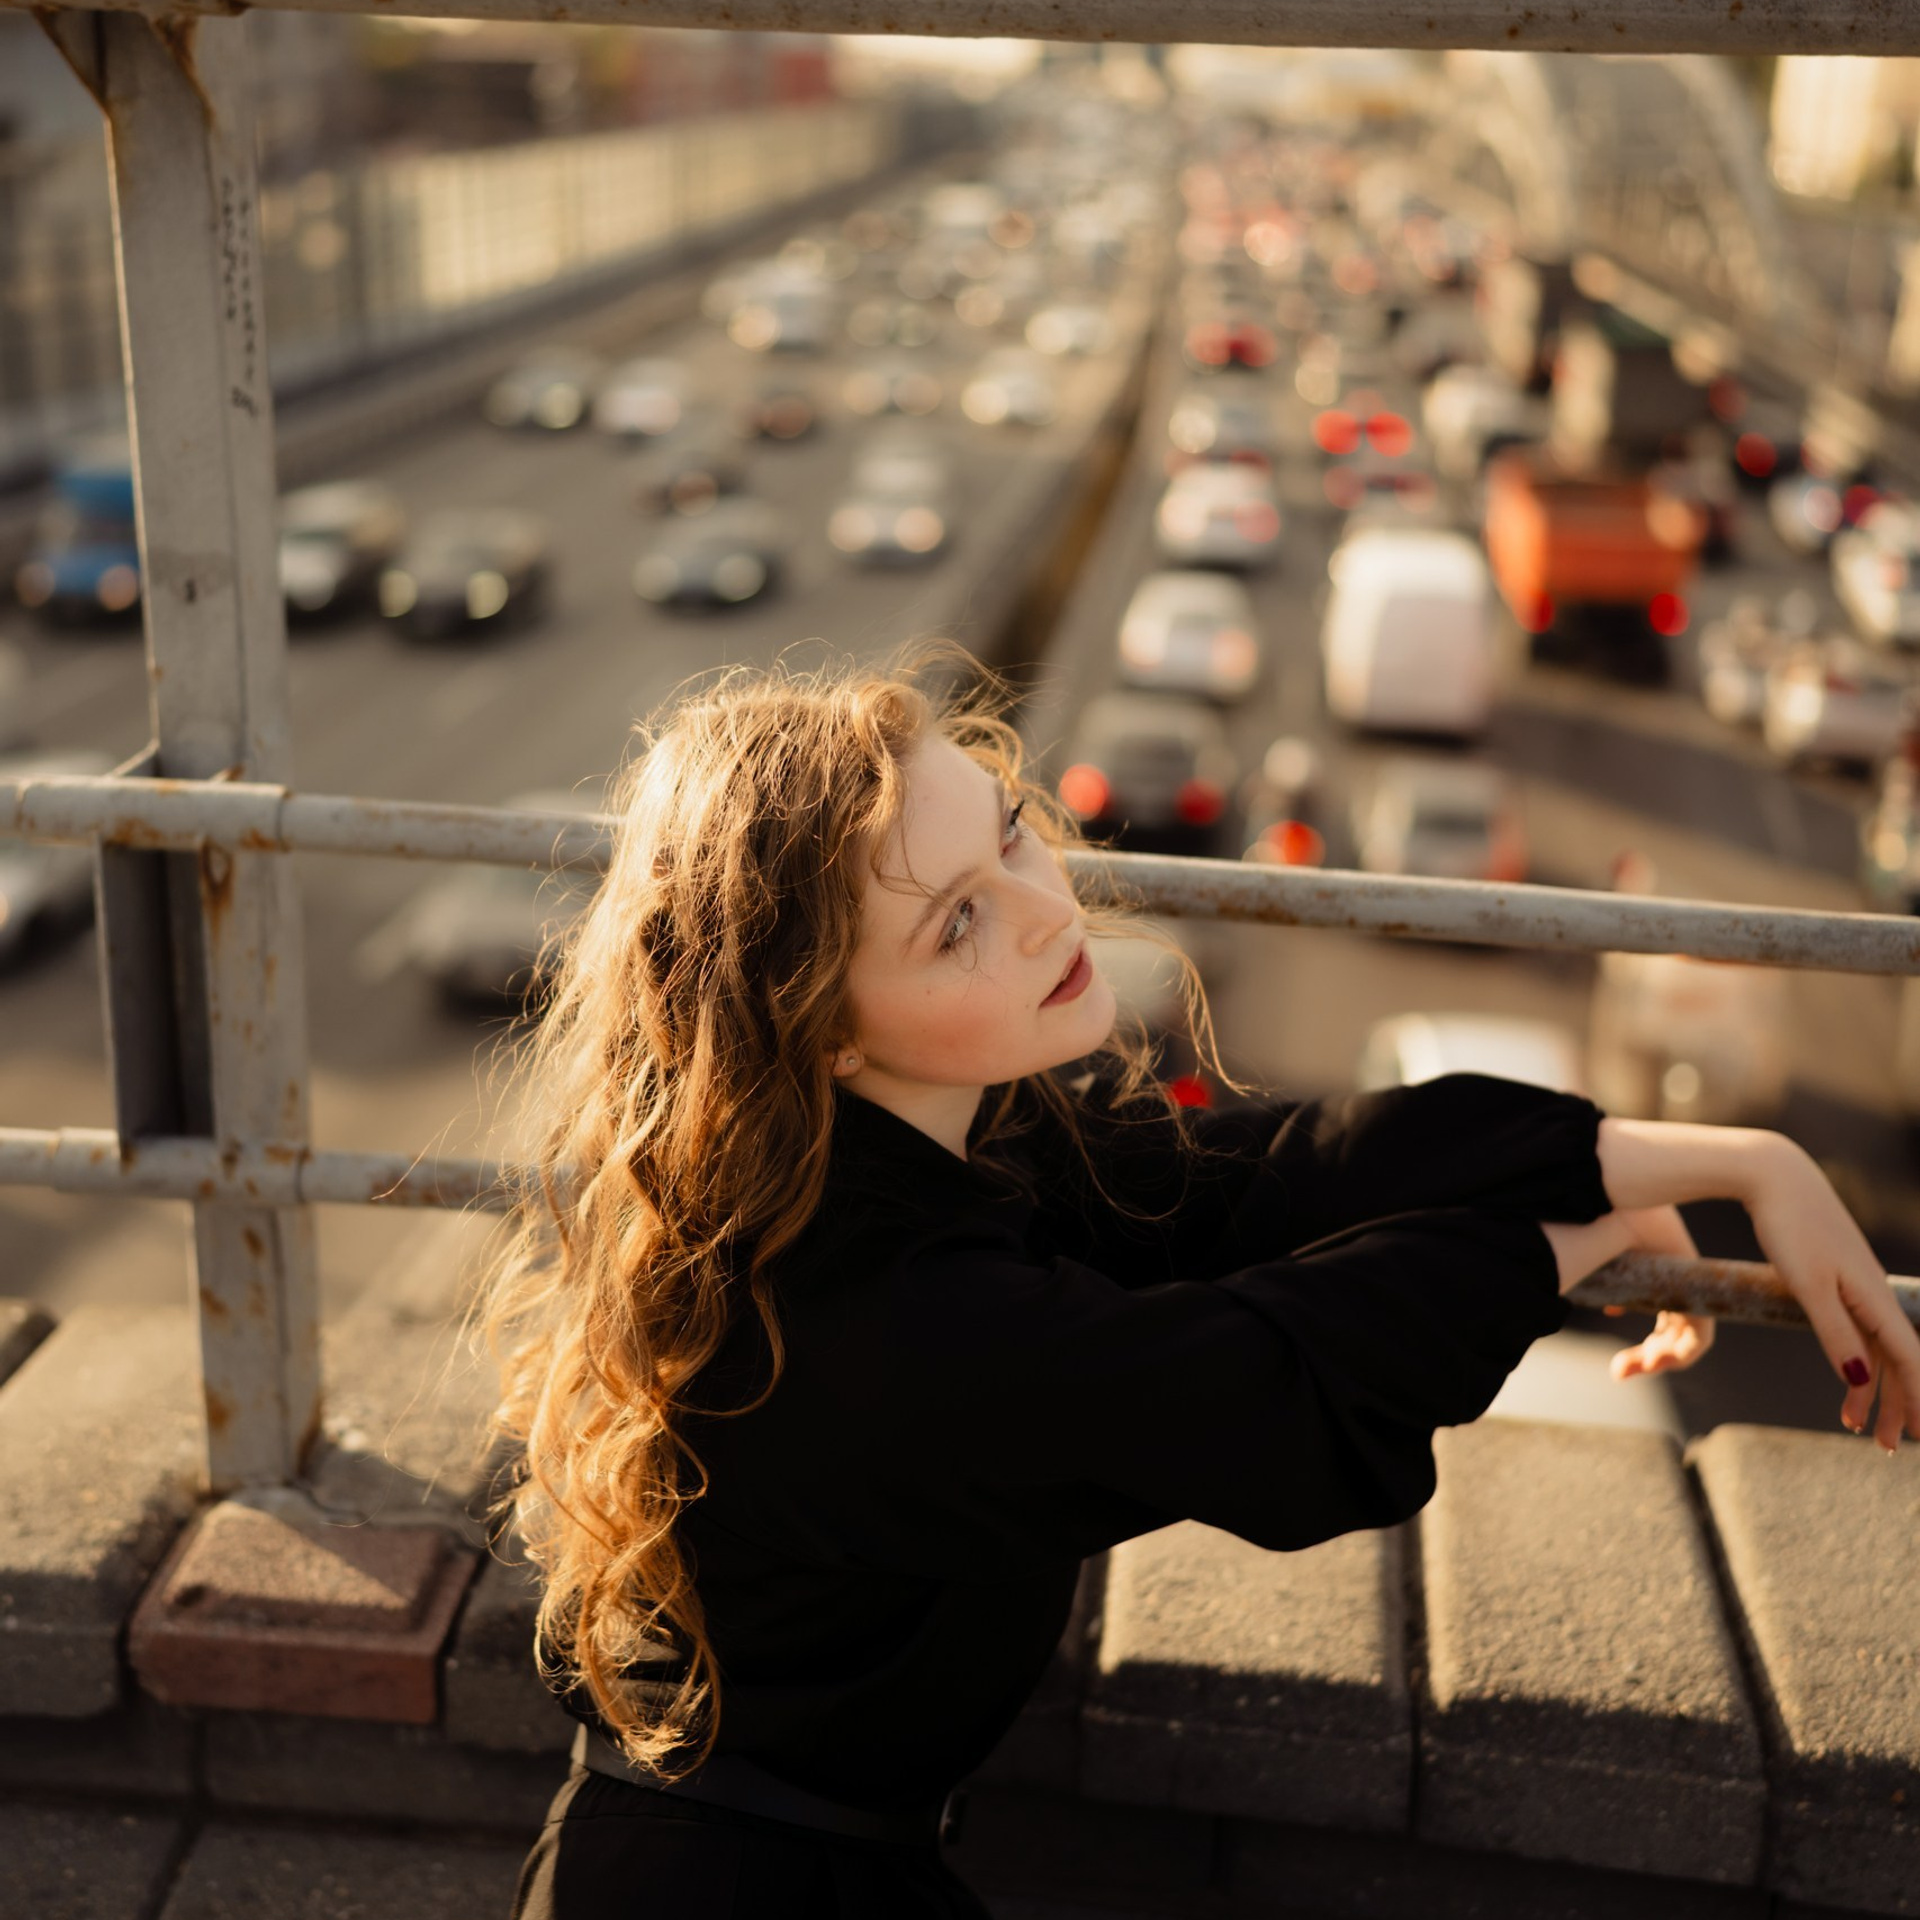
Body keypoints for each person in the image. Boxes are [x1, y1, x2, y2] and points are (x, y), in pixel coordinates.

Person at [481, 647, 1920, 1920]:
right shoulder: (871, 1311)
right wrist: (1562, 1243)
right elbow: (1265, 1390)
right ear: (825, 1031)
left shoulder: (929, 1151)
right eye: (955, 924)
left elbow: (1254, 1175)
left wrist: (1699, 1157)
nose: (1042, 912)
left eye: (1010, 837)